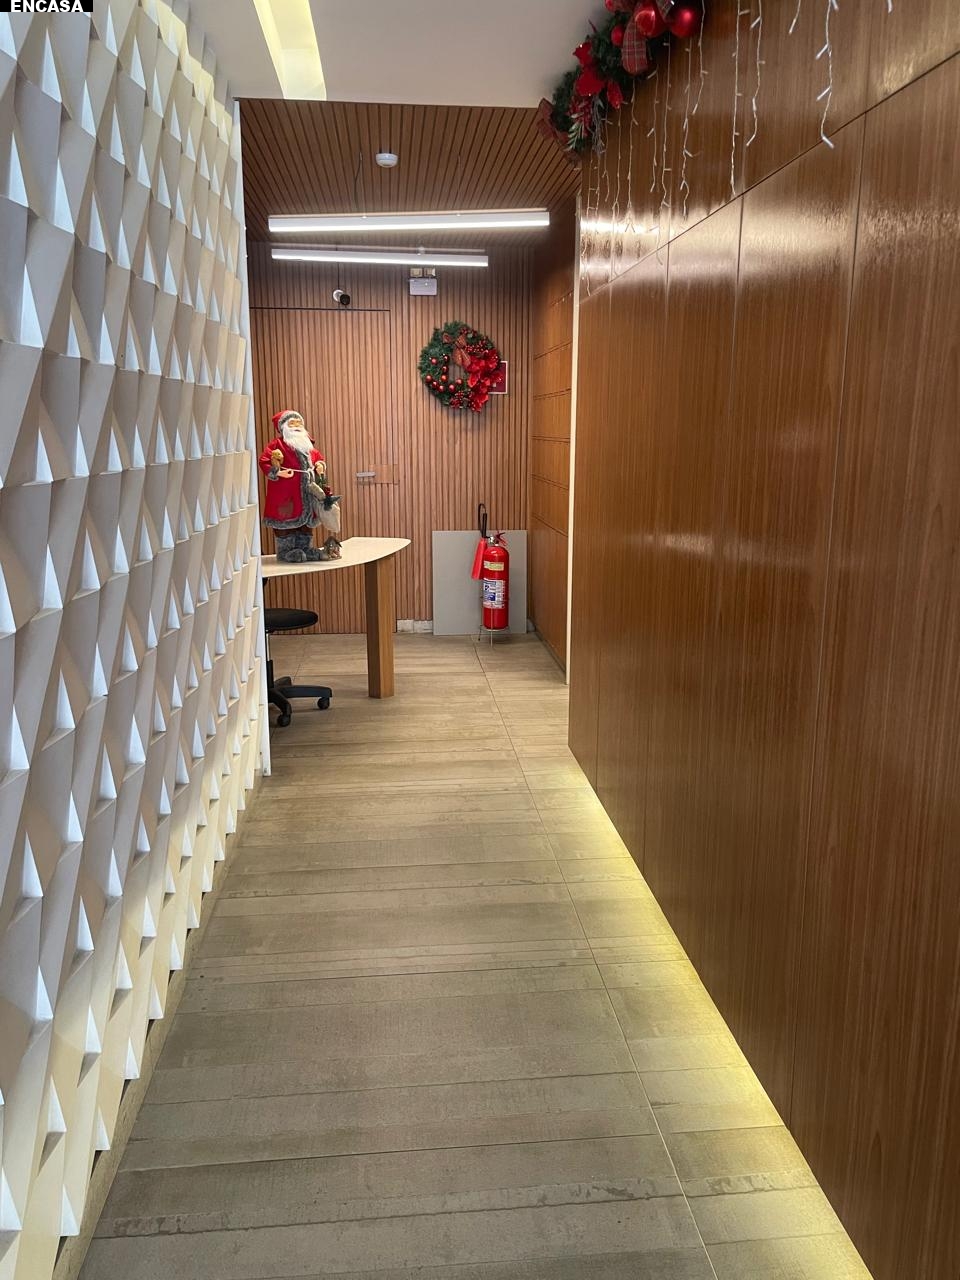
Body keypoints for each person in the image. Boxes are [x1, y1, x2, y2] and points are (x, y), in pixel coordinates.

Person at [258, 410, 341, 561]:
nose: (296, 426)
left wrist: (320, 465)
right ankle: (286, 551)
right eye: (292, 423)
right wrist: (278, 472)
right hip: (286, 493)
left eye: (299, 423)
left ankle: (305, 548)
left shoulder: (306, 445)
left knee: (305, 523)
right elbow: (264, 461)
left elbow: (317, 457)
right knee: (286, 520)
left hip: (307, 492)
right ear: (283, 427)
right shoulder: (277, 445)